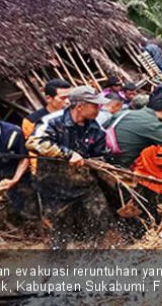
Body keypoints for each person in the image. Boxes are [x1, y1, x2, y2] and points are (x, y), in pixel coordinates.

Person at [26, 86, 113, 248]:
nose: (99, 109)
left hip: (84, 185)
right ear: (80, 106)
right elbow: (34, 142)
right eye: (95, 105)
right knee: (58, 231)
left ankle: (98, 256)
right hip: (53, 185)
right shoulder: (52, 121)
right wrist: (67, 154)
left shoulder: (96, 129)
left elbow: (101, 156)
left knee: (100, 219)